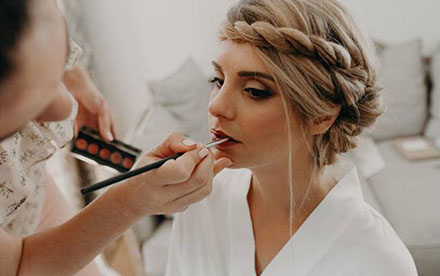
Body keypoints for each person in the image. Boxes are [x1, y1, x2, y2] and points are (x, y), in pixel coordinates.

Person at [165, 0, 418, 275]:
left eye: (254, 91)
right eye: (218, 80)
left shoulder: (380, 260)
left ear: (322, 115)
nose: (215, 106)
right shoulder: (200, 201)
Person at [0, 0, 233, 275]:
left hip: (30, 195)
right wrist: (133, 200)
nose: (67, 109)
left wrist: (69, 71)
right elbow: (20, 264)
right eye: (19, 121)